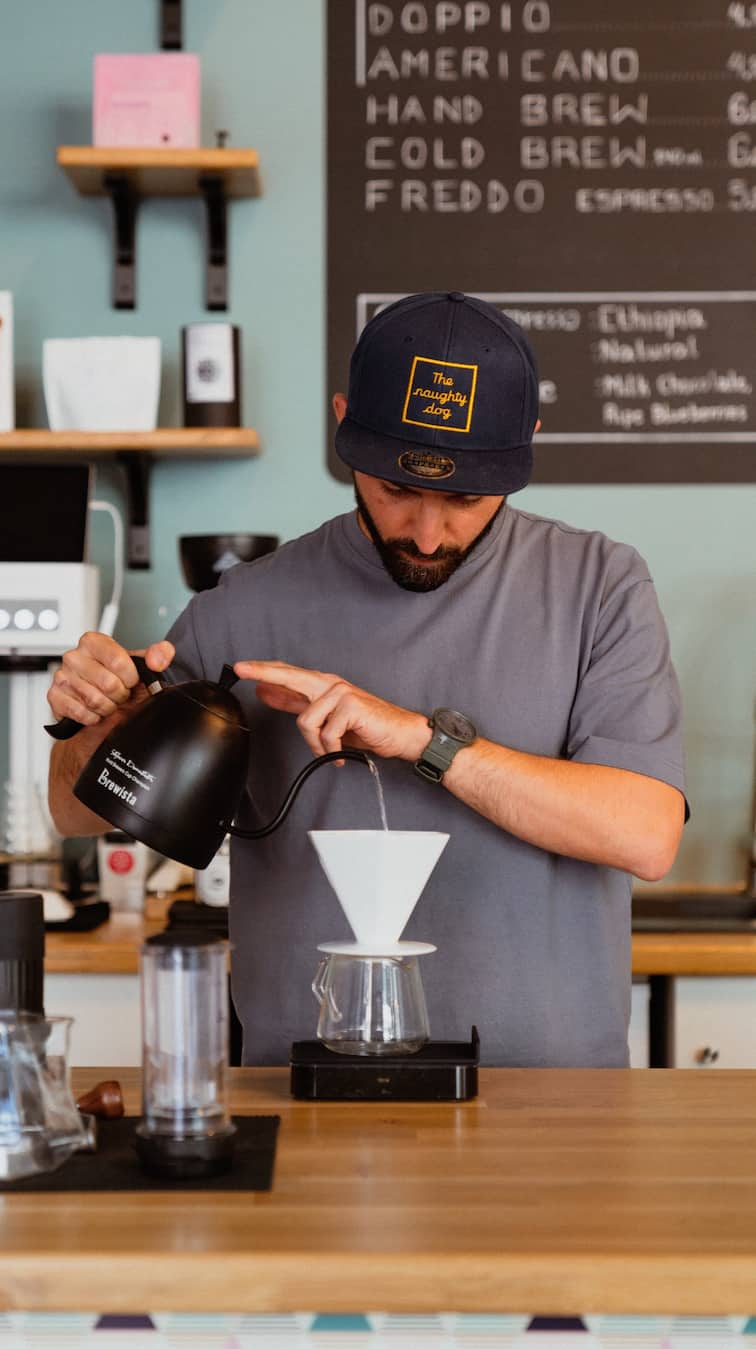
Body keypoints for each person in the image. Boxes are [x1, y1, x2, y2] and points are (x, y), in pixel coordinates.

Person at [48, 291, 687, 1068]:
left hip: (555, 1105)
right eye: (396, 488)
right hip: (301, 1099)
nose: (427, 531)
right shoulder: (246, 606)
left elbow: (646, 834)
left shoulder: (599, 586)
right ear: (345, 425)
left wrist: (420, 739)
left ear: (527, 447)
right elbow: (75, 810)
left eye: (463, 499)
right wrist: (93, 716)